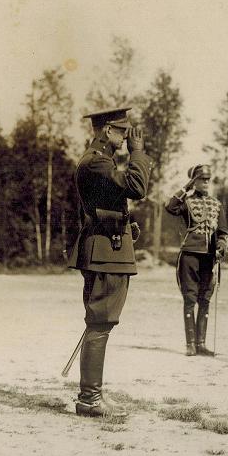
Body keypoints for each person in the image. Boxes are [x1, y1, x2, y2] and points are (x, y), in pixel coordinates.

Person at [66, 107, 151, 417]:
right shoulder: (97, 162)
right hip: (105, 253)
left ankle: (91, 395)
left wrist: (125, 222)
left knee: (101, 322)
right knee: (100, 322)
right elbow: (137, 187)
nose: (127, 136)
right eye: (122, 130)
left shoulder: (99, 161)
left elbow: (106, 202)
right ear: (106, 131)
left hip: (108, 248)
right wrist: (138, 154)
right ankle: (90, 399)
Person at [165, 164, 228, 356]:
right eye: (202, 179)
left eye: (208, 179)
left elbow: (223, 232)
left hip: (209, 258)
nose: (206, 183)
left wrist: (221, 246)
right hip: (190, 255)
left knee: (205, 298)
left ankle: (201, 344)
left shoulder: (216, 204)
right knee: (190, 298)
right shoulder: (187, 202)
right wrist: (186, 187)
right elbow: (170, 206)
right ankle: (191, 344)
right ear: (194, 181)